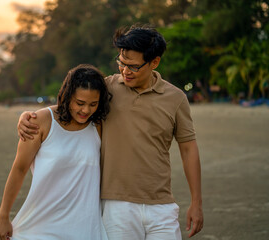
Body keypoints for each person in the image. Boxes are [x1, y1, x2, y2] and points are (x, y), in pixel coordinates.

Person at [17, 24, 203, 239]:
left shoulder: (176, 98)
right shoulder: (108, 89)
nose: (125, 71)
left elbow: (188, 149)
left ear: (154, 62)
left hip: (162, 205)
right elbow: (72, 106)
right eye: (121, 63)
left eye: (133, 66)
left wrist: (196, 203)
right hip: (116, 206)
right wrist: (29, 115)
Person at [0, 64, 111, 240]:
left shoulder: (99, 125)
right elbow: (19, 169)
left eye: (93, 104)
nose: (86, 110)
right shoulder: (40, 121)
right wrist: (3, 217)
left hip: (85, 226)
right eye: (80, 103)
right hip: (42, 224)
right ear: (67, 96)